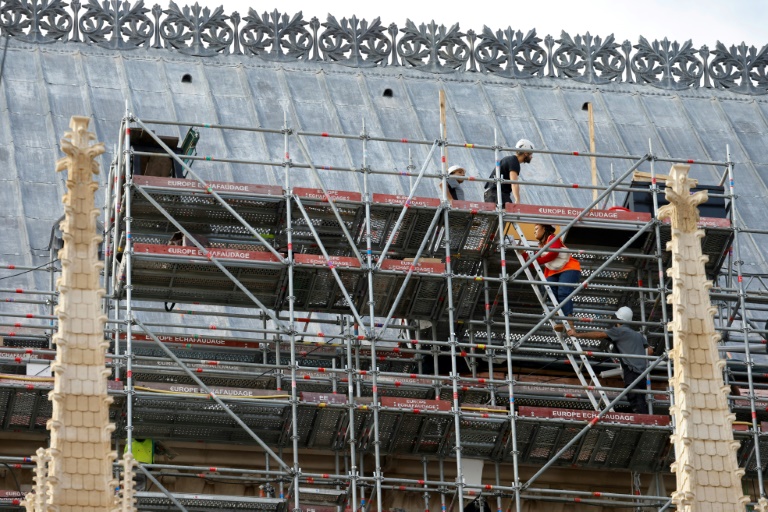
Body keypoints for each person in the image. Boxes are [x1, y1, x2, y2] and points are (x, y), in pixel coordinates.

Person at [566, 307, 650, 414]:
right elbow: (650, 351)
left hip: (632, 370)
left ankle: (642, 420)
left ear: (618, 319)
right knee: (639, 397)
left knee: (634, 396)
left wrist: (578, 335)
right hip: (642, 372)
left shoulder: (620, 331)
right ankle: (643, 417)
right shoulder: (638, 335)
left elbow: (600, 334)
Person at [533, 224, 581, 331]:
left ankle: (569, 323)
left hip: (569, 268)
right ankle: (565, 321)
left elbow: (553, 254)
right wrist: (523, 255)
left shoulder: (553, 238)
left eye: (536, 229)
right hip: (553, 272)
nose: (534, 232)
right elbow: (533, 263)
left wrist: (535, 259)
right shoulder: (541, 246)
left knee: (563, 293)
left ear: (544, 228)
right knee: (548, 290)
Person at [484, 138, 534, 206]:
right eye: (531, 154)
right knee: (508, 212)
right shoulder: (514, 161)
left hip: (491, 193)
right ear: (525, 153)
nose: (531, 157)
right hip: (496, 193)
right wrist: (517, 200)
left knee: (504, 214)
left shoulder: (510, 160)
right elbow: (514, 182)